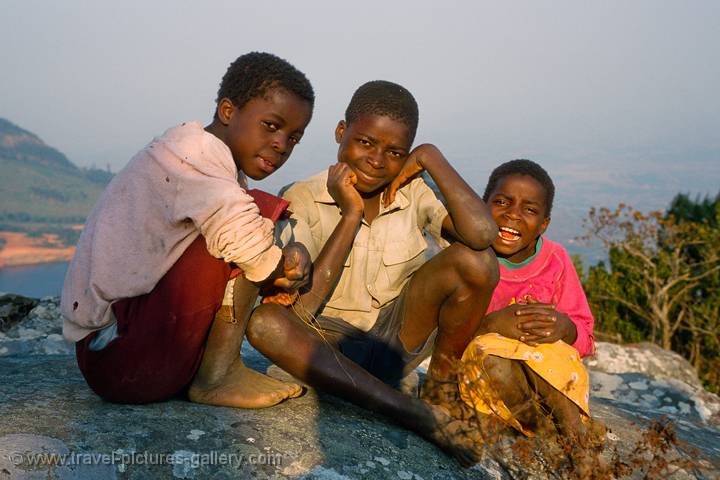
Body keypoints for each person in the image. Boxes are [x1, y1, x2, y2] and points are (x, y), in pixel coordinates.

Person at [246, 80, 499, 464]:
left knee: (477, 262)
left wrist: (430, 157)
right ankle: (412, 413)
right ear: (340, 132)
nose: (377, 160)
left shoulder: (413, 192)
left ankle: (439, 392)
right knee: (265, 324)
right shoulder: (302, 198)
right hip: (327, 347)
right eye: (365, 142)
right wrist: (349, 215)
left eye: (395, 152)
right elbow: (299, 315)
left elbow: (482, 235)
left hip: (393, 343)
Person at [61, 52, 314, 409]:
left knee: (249, 216)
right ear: (228, 112)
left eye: (294, 138)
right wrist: (285, 262)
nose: (281, 144)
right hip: (121, 357)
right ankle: (217, 377)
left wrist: (277, 264)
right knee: (256, 213)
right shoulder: (195, 156)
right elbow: (250, 249)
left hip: (116, 351)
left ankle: (212, 371)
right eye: (271, 126)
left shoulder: (199, 155)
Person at [457, 159, 596, 461]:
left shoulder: (555, 260)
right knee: (490, 354)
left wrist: (564, 328)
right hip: (494, 383)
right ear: (483, 206)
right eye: (502, 202)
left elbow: (586, 337)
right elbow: (446, 336)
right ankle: (546, 432)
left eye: (529, 210)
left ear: (544, 224)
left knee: (549, 354)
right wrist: (490, 324)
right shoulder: (467, 259)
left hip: (552, 378)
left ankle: (575, 441)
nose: (512, 215)